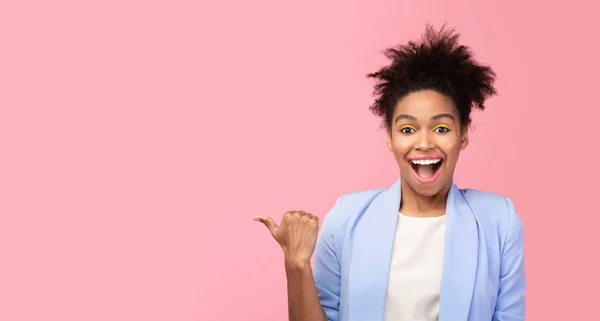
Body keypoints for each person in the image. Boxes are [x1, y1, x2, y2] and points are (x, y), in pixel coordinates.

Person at [254, 24, 526, 321]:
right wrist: (296, 264)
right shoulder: (347, 219)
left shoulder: (499, 221)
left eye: (441, 128)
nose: (423, 143)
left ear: (462, 135)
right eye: (408, 129)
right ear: (390, 138)